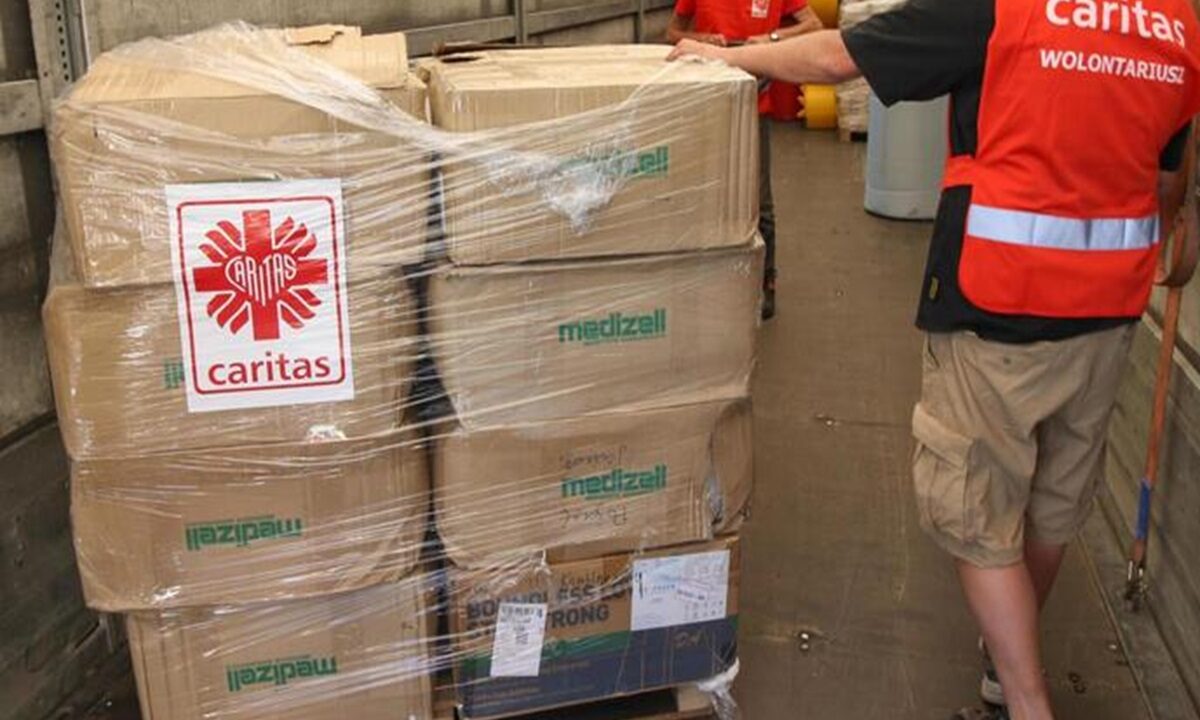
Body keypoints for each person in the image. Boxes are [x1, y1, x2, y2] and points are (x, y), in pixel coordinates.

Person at [669, 0, 1200, 718]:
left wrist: (729, 57)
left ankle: (1026, 702)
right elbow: (1167, 182)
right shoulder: (1172, 25)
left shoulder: (1004, 11)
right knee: (1053, 504)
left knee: (975, 513)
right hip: (1110, 310)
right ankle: (1004, 668)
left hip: (1001, 303)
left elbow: (838, 57)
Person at [667, 0, 824, 320]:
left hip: (754, 106)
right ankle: (709, 280)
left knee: (759, 201)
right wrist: (702, 39)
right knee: (707, 194)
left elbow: (814, 25)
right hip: (707, 103)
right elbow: (672, 32)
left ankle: (766, 281)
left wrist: (772, 39)